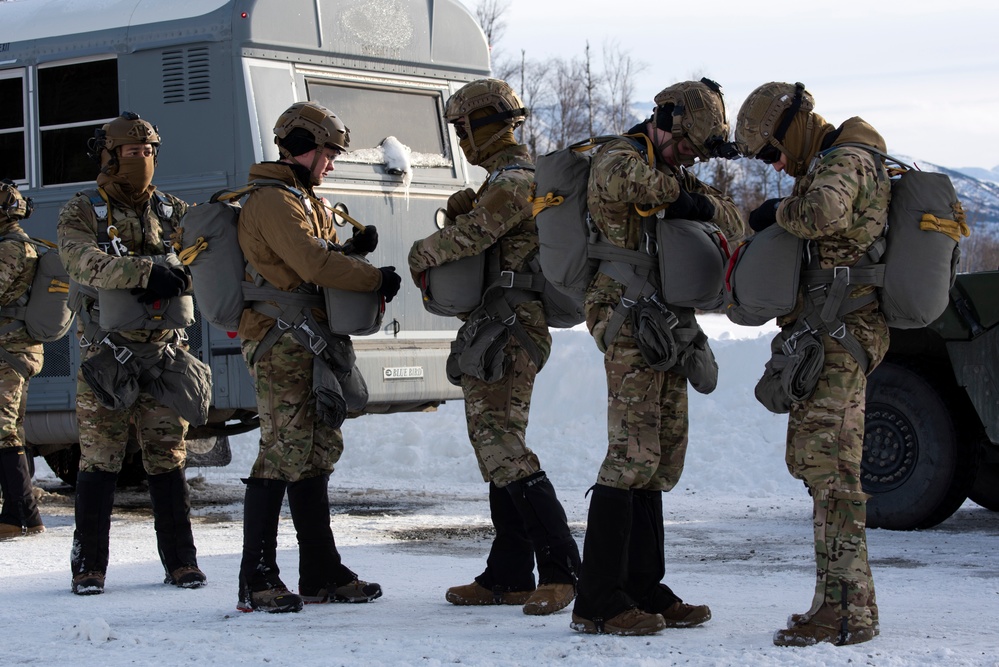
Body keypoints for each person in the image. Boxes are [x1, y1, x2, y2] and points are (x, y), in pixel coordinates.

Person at [571, 79, 745, 636]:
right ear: (664, 118)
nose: (688, 157)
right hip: (626, 316)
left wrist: (697, 196)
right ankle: (596, 599)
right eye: (685, 144)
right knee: (630, 452)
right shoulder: (619, 157)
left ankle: (644, 585)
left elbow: (732, 220)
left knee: (660, 454)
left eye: (696, 151)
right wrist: (686, 196)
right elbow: (633, 184)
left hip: (665, 322)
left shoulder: (673, 170)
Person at [408, 78, 581, 616]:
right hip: (497, 322)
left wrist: (420, 252)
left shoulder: (513, 179)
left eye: (462, 129)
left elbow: (474, 237)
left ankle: (563, 571)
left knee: (502, 445)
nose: (461, 141)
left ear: (485, 126)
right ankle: (508, 573)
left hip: (509, 325)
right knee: (497, 449)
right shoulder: (504, 181)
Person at [734, 81, 890, 647]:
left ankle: (845, 613)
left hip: (842, 331)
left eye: (774, 152)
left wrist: (779, 212)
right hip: (831, 329)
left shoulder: (846, 161)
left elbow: (821, 212)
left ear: (792, 126)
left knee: (832, 472)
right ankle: (844, 603)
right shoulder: (834, 160)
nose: (775, 166)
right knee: (824, 469)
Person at [235, 100, 401, 613]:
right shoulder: (271, 200)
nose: (331, 163)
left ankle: (320, 570)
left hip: (310, 337)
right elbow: (308, 261)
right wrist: (372, 276)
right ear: (303, 146)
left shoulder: (301, 198)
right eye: (328, 152)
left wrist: (351, 252)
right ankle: (256, 578)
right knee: (283, 450)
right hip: (281, 340)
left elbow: (312, 264)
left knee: (314, 450)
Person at [58, 112, 207, 595]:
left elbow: (207, 252)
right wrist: (146, 272)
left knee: (168, 459)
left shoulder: (172, 210)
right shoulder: (83, 209)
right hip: (108, 359)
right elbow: (80, 260)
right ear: (108, 156)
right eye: (130, 152)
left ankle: (182, 563)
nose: (141, 160)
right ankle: (89, 567)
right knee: (99, 462)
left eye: (148, 152)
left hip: (164, 356)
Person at [0, 180, 46, 540]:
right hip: (12, 350)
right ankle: (22, 516)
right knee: (10, 431)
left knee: (3, 433)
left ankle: (20, 517)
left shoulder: (13, 248)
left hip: (9, 351)